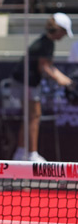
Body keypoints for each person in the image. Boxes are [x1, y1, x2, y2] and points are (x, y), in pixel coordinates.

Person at [9, 12, 74, 162]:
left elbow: (48, 67)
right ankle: (31, 154)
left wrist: (64, 79)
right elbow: (44, 68)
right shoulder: (46, 44)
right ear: (58, 30)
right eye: (63, 32)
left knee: (29, 117)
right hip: (26, 83)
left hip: (23, 82)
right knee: (34, 116)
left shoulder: (45, 42)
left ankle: (20, 153)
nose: (63, 36)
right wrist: (62, 80)